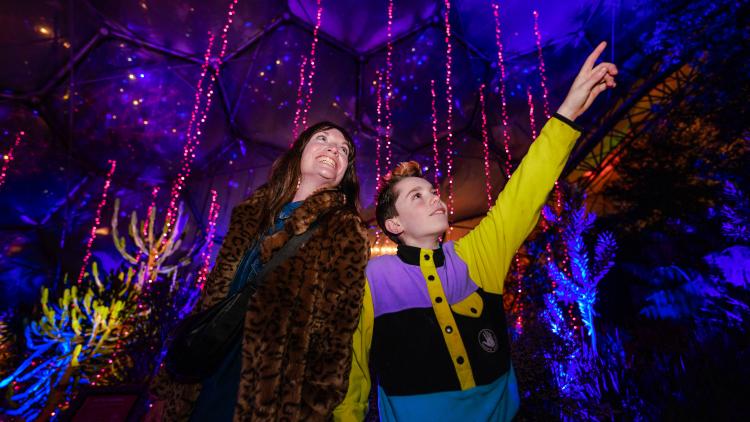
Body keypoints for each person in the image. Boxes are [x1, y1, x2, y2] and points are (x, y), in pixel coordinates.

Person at [334, 42, 618, 421]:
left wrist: (567, 113)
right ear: (394, 225)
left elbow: (524, 192)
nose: (435, 199)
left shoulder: (475, 256)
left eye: (433, 192)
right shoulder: (371, 279)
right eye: (417, 196)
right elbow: (350, 371)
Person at [150, 121, 370, 421]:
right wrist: (167, 387)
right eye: (322, 139)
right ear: (300, 152)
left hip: (271, 395)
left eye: (344, 149)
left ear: (345, 172)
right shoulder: (251, 215)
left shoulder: (345, 228)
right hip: (203, 378)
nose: (334, 148)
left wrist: (312, 412)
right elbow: (210, 301)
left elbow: (335, 338)